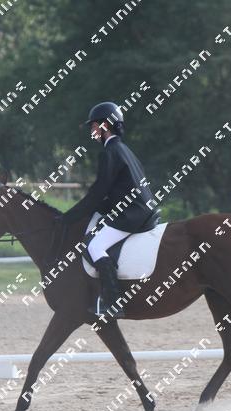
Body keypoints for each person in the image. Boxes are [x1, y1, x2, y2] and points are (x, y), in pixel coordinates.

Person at [60, 101, 159, 318]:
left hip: (133, 214)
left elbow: (98, 191)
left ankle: (113, 303)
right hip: (140, 208)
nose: (92, 131)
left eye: (94, 126)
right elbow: (114, 192)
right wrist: (94, 209)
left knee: (95, 246)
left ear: (104, 125)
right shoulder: (124, 149)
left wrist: (69, 217)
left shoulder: (109, 152)